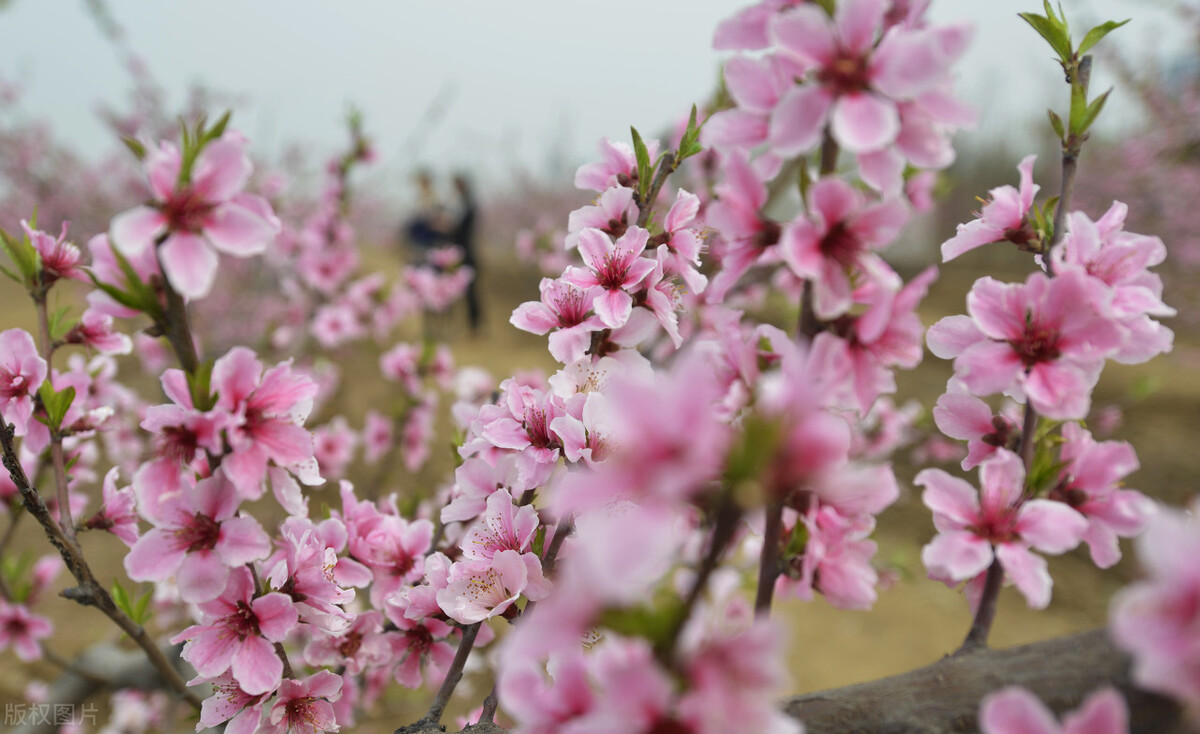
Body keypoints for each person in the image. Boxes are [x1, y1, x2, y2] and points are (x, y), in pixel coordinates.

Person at [451, 173, 483, 334]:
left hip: (465, 253)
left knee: (471, 292)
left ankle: (475, 325)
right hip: (461, 252)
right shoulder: (461, 204)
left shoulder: (467, 205)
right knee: (468, 293)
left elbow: (461, 229)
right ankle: (472, 324)